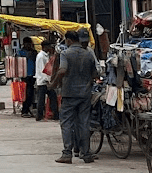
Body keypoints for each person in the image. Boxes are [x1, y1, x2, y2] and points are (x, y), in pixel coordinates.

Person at [49, 29, 98, 164]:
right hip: (85, 94)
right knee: (84, 123)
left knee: (66, 123)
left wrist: (54, 84)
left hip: (69, 93)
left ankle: (67, 153)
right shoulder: (88, 54)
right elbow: (95, 74)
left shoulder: (66, 53)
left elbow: (63, 70)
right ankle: (86, 153)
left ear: (69, 40)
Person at [34, 40, 58, 122]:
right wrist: (47, 80)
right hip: (42, 81)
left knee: (52, 97)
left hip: (46, 80)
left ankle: (55, 115)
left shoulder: (46, 55)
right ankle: (39, 116)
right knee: (41, 99)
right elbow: (42, 70)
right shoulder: (41, 56)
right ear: (44, 47)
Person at [18, 37, 37, 118]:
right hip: (24, 76)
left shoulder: (34, 52)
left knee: (31, 94)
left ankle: (28, 109)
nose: (28, 45)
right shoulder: (21, 52)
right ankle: (25, 110)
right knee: (26, 93)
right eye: (27, 43)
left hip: (33, 75)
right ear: (24, 44)